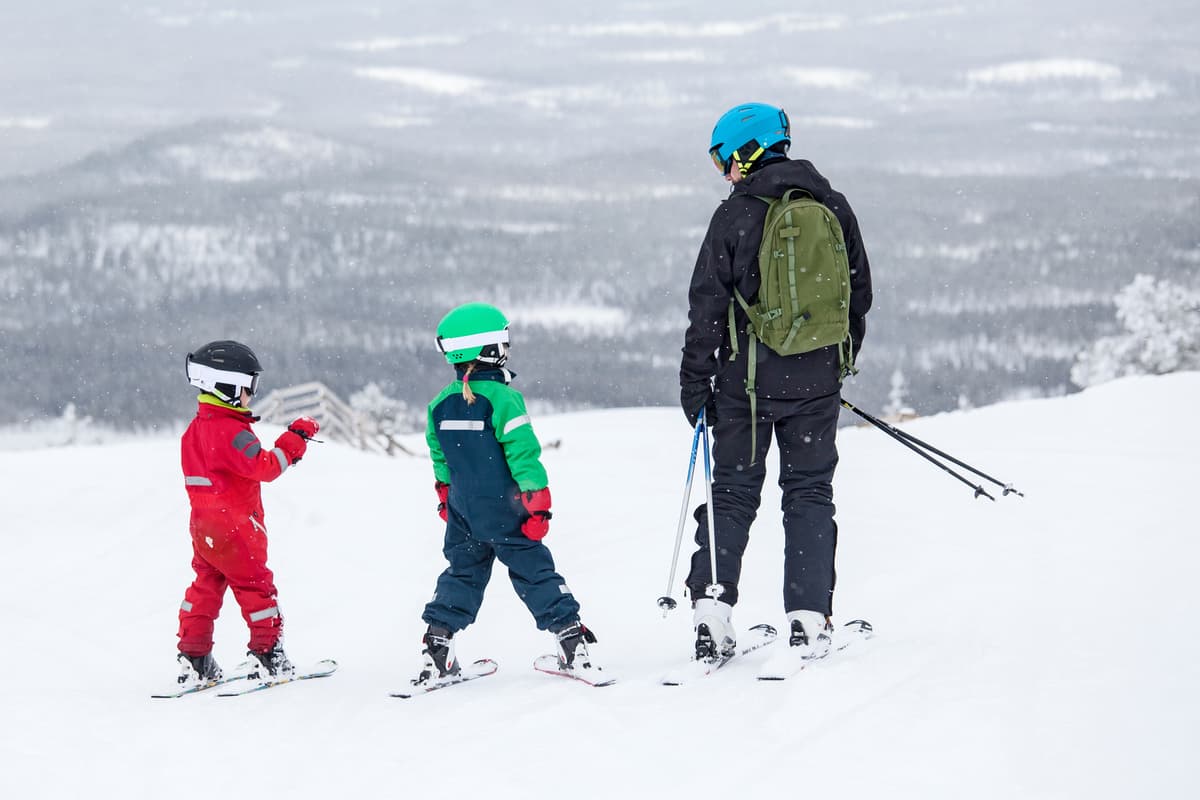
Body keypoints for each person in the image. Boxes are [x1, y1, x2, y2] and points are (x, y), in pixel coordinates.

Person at [678, 102, 873, 670]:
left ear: (748, 150)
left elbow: (706, 308)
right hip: (815, 386)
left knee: (735, 493)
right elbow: (857, 298)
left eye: (723, 159)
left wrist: (697, 385)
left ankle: (712, 615)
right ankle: (809, 621)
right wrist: (835, 364)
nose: (723, 171)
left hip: (746, 388)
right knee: (809, 494)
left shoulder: (736, 216)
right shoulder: (832, 207)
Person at [415, 302, 603, 685]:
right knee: (534, 571)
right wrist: (538, 502)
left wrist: (445, 495)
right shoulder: (503, 400)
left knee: (462, 574)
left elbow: (440, 458)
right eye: (503, 341)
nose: (507, 348)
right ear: (488, 349)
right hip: (506, 508)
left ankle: (438, 643)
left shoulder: (438, 404)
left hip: (464, 510)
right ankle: (570, 640)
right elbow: (523, 455)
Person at [175, 340, 320, 688]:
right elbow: (266, 467)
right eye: (248, 387)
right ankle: (268, 654)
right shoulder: (232, 432)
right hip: (237, 527)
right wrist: (296, 438)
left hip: (204, 527)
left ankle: (194, 657)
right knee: (256, 588)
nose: (251, 396)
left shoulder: (193, 431)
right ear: (224, 387)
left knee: (205, 586)